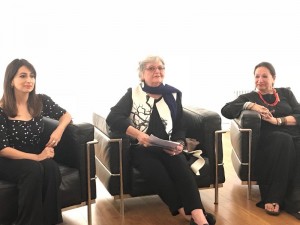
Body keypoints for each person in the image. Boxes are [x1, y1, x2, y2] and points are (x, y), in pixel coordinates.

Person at [106, 56, 216, 225]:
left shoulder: (173, 94)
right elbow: (113, 117)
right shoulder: (133, 94)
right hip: (141, 148)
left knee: (183, 170)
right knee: (158, 174)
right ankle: (185, 213)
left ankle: (200, 218)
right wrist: (138, 134)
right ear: (142, 74)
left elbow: (180, 125)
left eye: (160, 67)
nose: (157, 71)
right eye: (151, 68)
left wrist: (179, 142)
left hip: (168, 146)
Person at [221, 62, 300, 220]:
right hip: (269, 140)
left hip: (291, 134)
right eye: (257, 76)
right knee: (284, 140)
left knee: (294, 143)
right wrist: (251, 106)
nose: (260, 80)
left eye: (265, 76)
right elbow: (226, 110)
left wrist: (277, 121)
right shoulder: (250, 97)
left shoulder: (286, 93)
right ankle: (276, 197)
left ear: (273, 78)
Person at [0, 59, 72, 225]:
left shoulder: (40, 101)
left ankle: (52, 221)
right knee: (33, 169)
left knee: (52, 168)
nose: (29, 80)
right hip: (8, 159)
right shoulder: (2, 109)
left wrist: (58, 131)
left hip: (34, 154)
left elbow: (66, 115)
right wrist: (38, 157)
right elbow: (2, 149)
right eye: (23, 76)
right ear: (11, 80)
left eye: (32, 76)